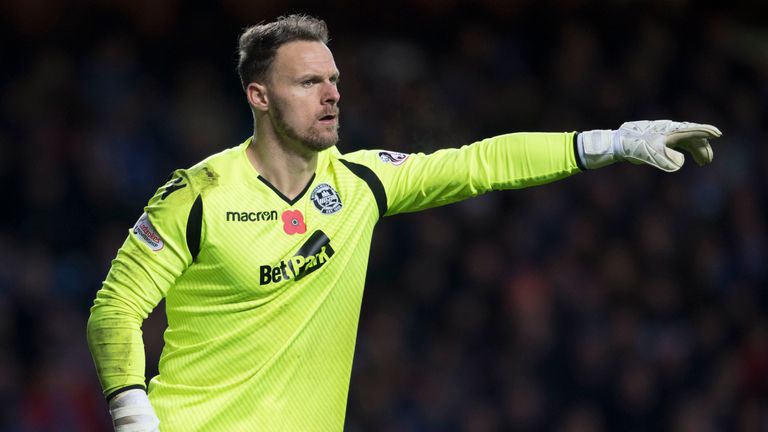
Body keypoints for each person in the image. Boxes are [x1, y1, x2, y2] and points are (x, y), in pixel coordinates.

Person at [86, 14, 722, 432]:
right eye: (309, 82)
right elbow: (114, 309)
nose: (332, 93)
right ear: (259, 96)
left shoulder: (361, 183)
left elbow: (481, 164)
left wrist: (614, 141)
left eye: (333, 79)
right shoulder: (197, 195)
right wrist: (132, 413)